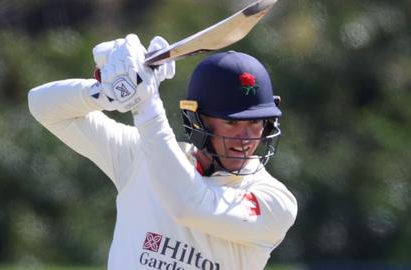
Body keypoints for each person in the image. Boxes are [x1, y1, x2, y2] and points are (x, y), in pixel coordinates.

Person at [28, 34, 297, 270]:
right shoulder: (141, 155)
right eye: (232, 122)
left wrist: (146, 106)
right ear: (198, 119)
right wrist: (108, 92)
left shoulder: (276, 202)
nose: (247, 137)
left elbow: (187, 203)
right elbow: (42, 106)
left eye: (255, 122)